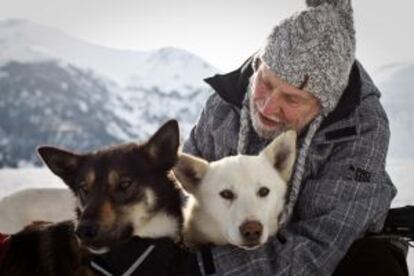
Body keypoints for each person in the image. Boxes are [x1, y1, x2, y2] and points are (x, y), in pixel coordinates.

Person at [89, 0, 409, 275]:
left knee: (375, 262)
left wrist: (202, 269)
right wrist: (138, 246)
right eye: (266, 83)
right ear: (258, 66)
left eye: (292, 99)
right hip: (229, 243)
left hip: (332, 256)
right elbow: (184, 195)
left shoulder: (361, 127)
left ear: (324, 104)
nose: (268, 106)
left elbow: (322, 243)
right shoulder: (225, 104)